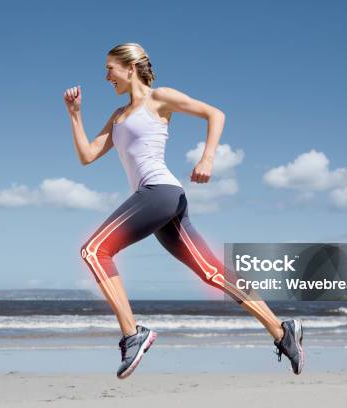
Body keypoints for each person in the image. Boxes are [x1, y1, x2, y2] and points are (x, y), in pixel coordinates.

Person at [63, 42, 304, 379]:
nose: (106, 77)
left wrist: (207, 158)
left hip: (160, 192)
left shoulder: (159, 98)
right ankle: (282, 331)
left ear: (130, 68)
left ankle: (133, 334)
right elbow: (87, 155)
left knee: (94, 250)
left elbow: (214, 114)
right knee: (212, 273)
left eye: (110, 68)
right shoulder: (117, 116)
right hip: (163, 201)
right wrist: (75, 115)